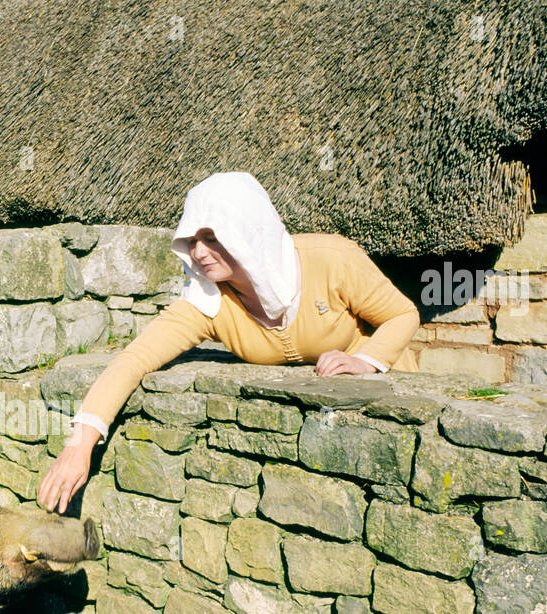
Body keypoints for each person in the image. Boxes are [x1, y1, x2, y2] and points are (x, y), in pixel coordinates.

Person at [37, 171, 420, 514]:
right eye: (192, 239)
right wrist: (80, 444)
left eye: (211, 237)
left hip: (392, 413)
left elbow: (403, 314)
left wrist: (365, 359)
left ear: (247, 230)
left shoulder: (332, 259)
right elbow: (135, 359)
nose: (198, 252)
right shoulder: (208, 302)